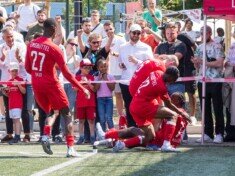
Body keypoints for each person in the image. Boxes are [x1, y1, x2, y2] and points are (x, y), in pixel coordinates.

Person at [25, 18, 90, 157]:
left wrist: (39, 74)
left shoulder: (31, 44)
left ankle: (45, 135)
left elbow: (28, 68)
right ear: (54, 29)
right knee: (67, 114)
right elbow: (67, 73)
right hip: (51, 84)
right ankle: (70, 148)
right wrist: (82, 88)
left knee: (52, 112)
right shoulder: (55, 48)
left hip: (36, 83)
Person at [191, 25, 225, 144]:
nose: (202, 36)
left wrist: (203, 62)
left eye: (204, 33)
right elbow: (198, 65)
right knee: (205, 107)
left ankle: (220, 133)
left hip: (215, 80)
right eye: (201, 33)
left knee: (217, 106)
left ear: (210, 33)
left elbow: (220, 63)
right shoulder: (199, 47)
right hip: (202, 80)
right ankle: (207, 133)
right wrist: (196, 63)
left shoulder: (217, 46)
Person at [118, 23, 153, 127]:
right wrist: (121, 65)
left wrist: (137, 61)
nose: (136, 35)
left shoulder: (146, 47)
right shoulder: (122, 47)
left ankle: (142, 128)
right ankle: (131, 129)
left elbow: (151, 64)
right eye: (134, 33)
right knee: (128, 106)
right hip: (126, 81)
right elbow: (120, 61)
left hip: (140, 82)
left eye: (139, 33)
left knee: (140, 106)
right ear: (130, 33)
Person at [0, 27, 30, 143]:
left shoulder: (21, 46)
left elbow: (26, 64)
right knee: (8, 109)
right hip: (6, 81)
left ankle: (26, 134)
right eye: (7, 37)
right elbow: (1, 66)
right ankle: (9, 133)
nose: (10, 39)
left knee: (25, 109)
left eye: (11, 36)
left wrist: (19, 58)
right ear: (3, 38)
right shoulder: (1, 47)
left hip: (21, 80)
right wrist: (2, 57)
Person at [101, 21, 126, 129]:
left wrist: (116, 54)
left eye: (110, 29)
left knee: (120, 95)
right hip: (108, 73)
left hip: (120, 73)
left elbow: (126, 53)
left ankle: (122, 118)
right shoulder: (103, 41)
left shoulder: (121, 39)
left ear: (114, 28)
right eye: (106, 30)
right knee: (108, 97)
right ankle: (108, 121)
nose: (108, 31)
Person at [156, 22, 187, 95]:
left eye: (172, 33)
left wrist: (162, 57)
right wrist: (167, 57)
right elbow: (155, 58)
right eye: (168, 33)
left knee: (177, 105)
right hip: (162, 82)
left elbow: (175, 60)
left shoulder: (181, 45)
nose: (170, 36)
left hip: (177, 82)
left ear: (177, 33)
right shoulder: (161, 45)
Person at [2, 62, 26, 144]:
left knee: (16, 120)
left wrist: (18, 84)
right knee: (14, 121)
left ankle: (17, 137)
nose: (14, 72)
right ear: (9, 71)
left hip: (17, 104)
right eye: (13, 71)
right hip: (11, 104)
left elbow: (24, 91)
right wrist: (4, 91)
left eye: (16, 71)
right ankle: (16, 136)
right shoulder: (9, 81)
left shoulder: (20, 80)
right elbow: (9, 94)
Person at [75, 59, 96, 145]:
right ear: (81, 68)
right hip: (80, 102)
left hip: (90, 103)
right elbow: (75, 89)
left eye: (89, 68)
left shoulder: (92, 77)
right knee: (81, 120)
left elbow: (94, 89)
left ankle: (92, 137)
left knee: (91, 120)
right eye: (86, 67)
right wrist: (80, 83)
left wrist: (88, 82)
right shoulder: (77, 78)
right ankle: (81, 137)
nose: (88, 69)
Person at [94, 59, 115, 132]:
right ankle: (104, 135)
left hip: (109, 99)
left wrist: (106, 79)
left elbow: (112, 88)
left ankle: (113, 134)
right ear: (98, 68)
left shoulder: (111, 77)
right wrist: (99, 80)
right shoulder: (96, 78)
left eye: (105, 66)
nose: (103, 68)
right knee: (102, 118)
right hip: (100, 99)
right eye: (101, 67)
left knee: (108, 117)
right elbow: (95, 89)